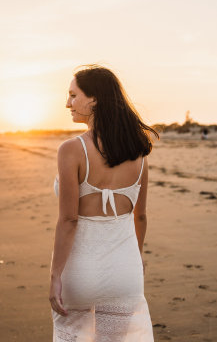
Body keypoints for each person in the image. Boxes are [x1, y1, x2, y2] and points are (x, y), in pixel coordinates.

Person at [51, 65, 158, 341]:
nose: (67, 103)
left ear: (94, 99)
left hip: (80, 271)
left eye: (73, 95)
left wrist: (55, 275)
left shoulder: (72, 149)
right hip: (126, 270)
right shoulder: (139, 151)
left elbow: (68, 219)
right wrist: (137, 258)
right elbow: (141, 217)